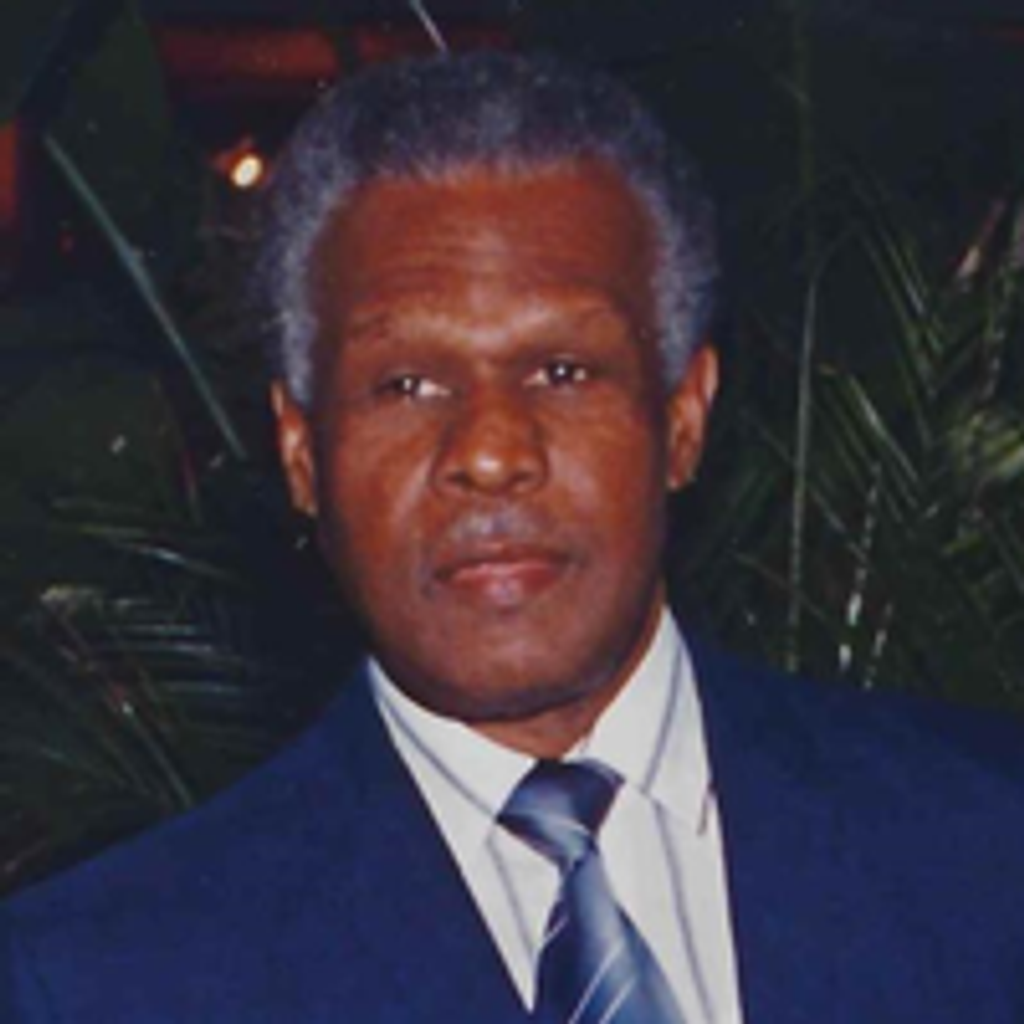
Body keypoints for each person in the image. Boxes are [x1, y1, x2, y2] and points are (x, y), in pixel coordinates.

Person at [2, 51, 1023, 1024]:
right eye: (406, 384)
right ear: (301, 451)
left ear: (683, 417)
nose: (490, 453)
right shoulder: (102, 982)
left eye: (563, 372)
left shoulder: (986, 846)